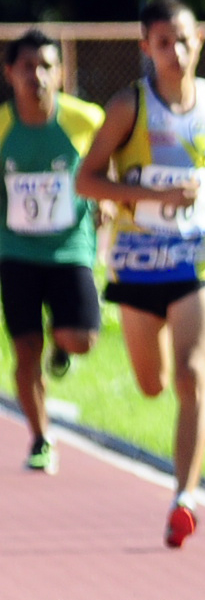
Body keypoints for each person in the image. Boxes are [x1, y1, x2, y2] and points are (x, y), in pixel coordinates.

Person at [74, 0, 205, 546]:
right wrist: (147, 193)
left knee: (191, 375)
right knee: (152, 383)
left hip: (195, 259)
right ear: (147, 48)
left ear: (200, 39)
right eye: (164, 43)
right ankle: (179, 469)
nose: (177, 52)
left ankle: (184, 497)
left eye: (185, 40)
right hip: (137, 268)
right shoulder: (128, 108)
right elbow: (86, 180)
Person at [1, 30, 105, 473]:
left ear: (60, 73)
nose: (37, 77)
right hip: (16, 251)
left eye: (46, 67)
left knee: (80, 339)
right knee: (24, 352)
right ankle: (41, 438)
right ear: (10, 73)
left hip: (70, 248)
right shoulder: (3, 125)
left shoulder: (87, 120)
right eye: (28, 68)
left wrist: (107, 199)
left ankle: (62, 344)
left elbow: (109, 163)